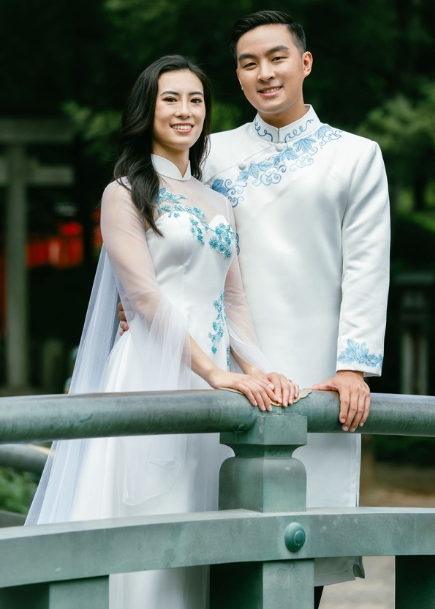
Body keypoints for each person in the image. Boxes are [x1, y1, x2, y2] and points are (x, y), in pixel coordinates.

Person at [24, 55, 299, 608]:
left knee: (195, 523)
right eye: (171, 99)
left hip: (212, 373)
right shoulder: (124, 193)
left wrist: (258, 370)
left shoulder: (219, 200)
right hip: (153, 367)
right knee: (147, 513)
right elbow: (144, 299)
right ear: (146, 109)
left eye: (195, 100)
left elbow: (233, 298)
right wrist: (216, 372)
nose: (185, 111)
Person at [205, 10, 390, 603]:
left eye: (277, 57)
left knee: (299, 549)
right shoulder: (209, 152)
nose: (264, 73)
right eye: (248, 63)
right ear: (237, 77)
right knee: (212, 544)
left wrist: (353, 366)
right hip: (223, 371)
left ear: (305, 63)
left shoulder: (356, 156)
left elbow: (366, 264)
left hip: (318, 374)